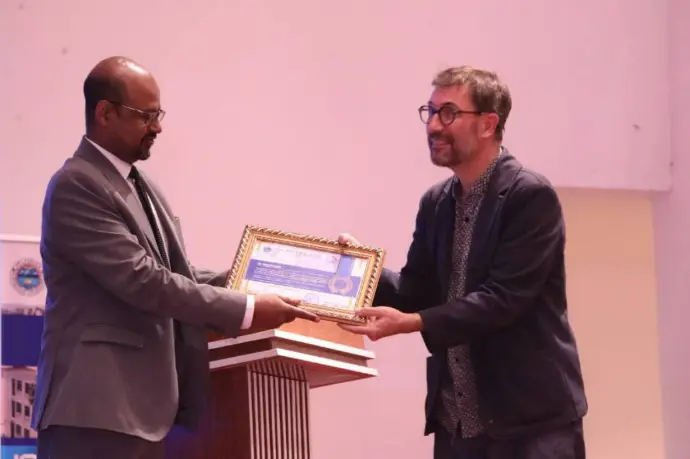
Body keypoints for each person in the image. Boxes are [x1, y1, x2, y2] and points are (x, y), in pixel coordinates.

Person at [32, 56, 319, 459]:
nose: (158, 127)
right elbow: (146, 281)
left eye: (158, 114)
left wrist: (256, 281)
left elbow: (176, 271)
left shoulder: (138, 183)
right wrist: (248, 309)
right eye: (146, 116)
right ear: (105, 113)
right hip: (94, 411)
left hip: (139, 410)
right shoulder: (76, 184)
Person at [338, 66, 587, 459]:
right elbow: (416, 291)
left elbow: (503, 299)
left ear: (488, 124)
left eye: (449, 113)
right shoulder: (436, 202)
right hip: (456, 423)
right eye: (431, 111)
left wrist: (413, 323)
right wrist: (361, 270)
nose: (434, 125)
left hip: (529, 422)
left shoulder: (529, 196)